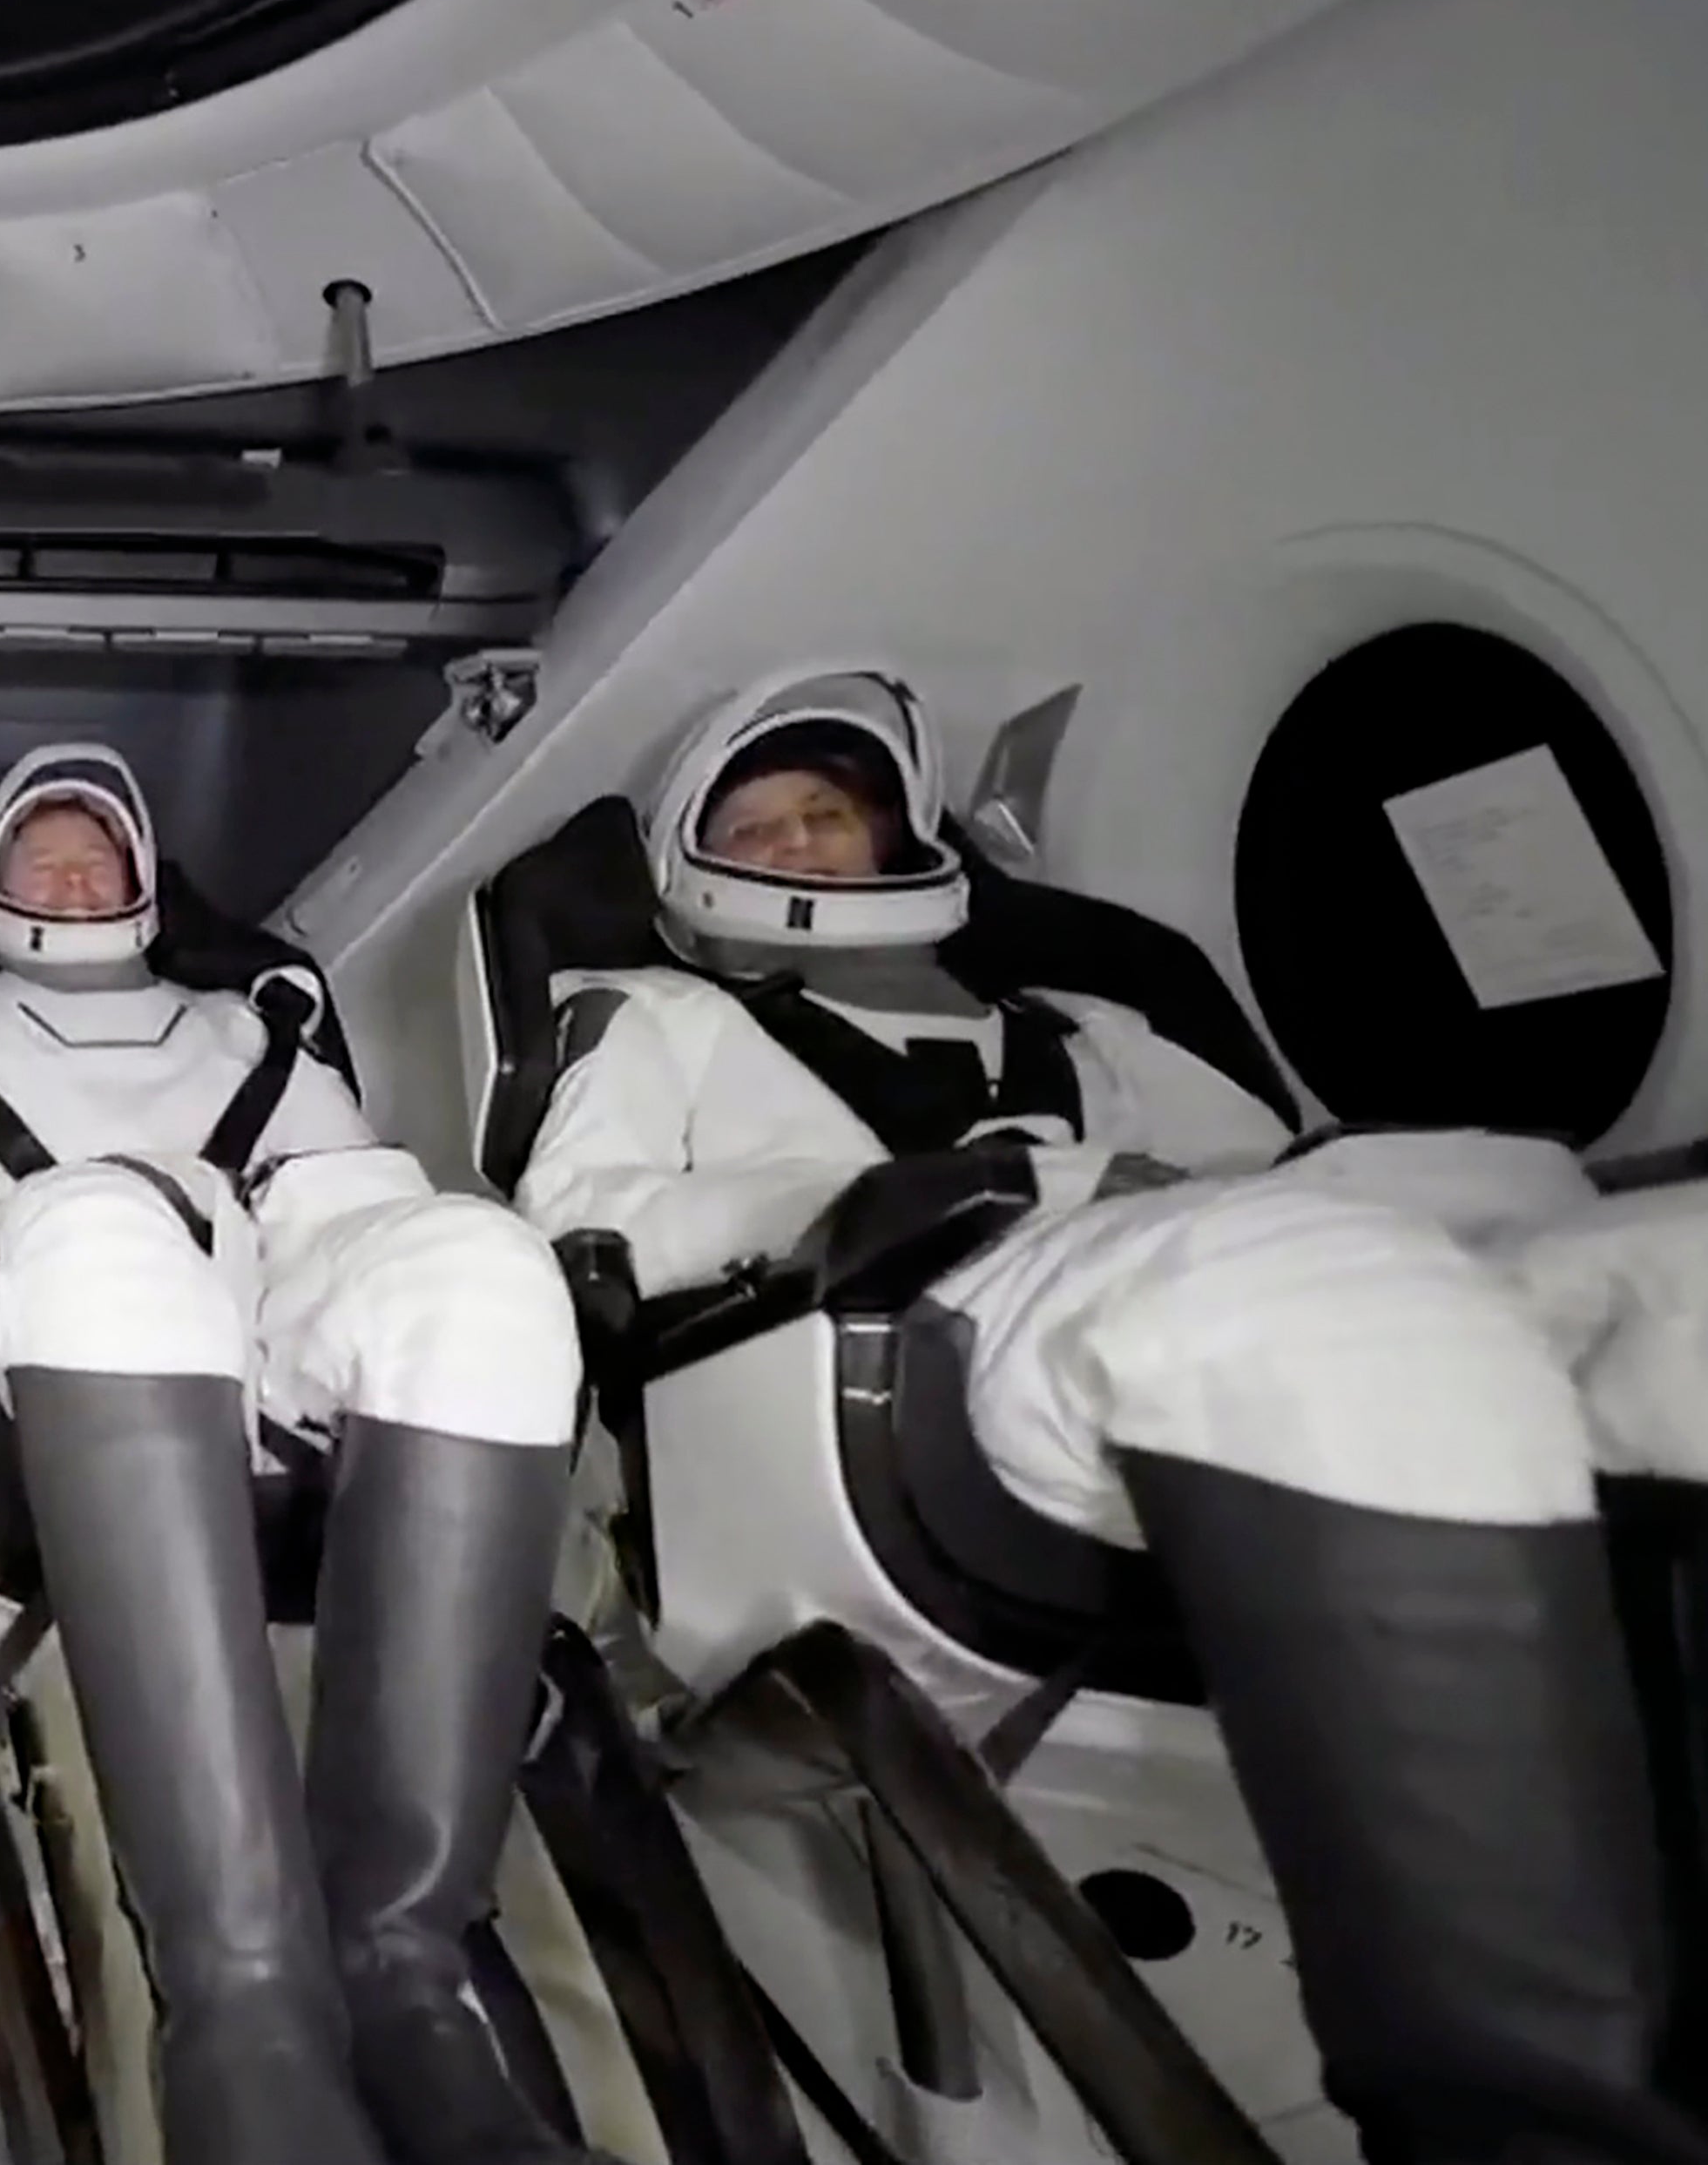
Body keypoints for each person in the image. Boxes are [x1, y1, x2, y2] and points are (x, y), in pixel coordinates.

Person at [516, 669, 1707, 2164]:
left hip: (1189, 1272)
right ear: (699, 861)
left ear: (899, 836)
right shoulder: (659, 1017)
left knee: (1655, 1270)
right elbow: (586, 1218)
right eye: (764, 823)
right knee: (1301, 1287)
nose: (807, 845)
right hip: (899, 1333)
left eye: (830, 814)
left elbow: (1278, 1170)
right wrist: (964, 1186)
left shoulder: (1085, 1024)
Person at [0, 741, 607, 2165]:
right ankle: (243, 2020)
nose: (73, 873)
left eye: (97, 852)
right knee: (107, 1228)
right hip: (46, 1337)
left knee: (479, 1259)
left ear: (142, 880)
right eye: (42, 854)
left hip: (265, 1308)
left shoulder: (253, 1030)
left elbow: (349, 1193)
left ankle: (402, 1974)